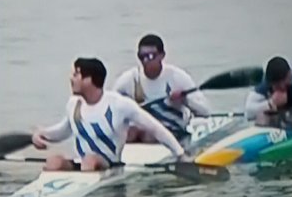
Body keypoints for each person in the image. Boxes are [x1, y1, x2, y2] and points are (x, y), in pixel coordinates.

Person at [31, 57, 189, 172]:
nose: (71, 79)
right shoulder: (74, 104)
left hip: (110, 166)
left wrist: (180, 155)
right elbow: (62, 131)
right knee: (53, 162)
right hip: (83, 164)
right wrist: (40, 135)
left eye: (76, 75)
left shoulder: (119, 105)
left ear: (88, 79)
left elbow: (156, 129)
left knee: (90, 160)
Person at [112, 34, 212, 143]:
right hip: (139, 131)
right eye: (142, 56)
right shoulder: (129, 79)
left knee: (147, 136)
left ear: (162, 55)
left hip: (172, 130)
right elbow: (109, 108)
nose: (146, 61)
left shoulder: (177, 77)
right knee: (130, 133)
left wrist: (185, 99)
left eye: (151, 56)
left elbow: (205, 111)